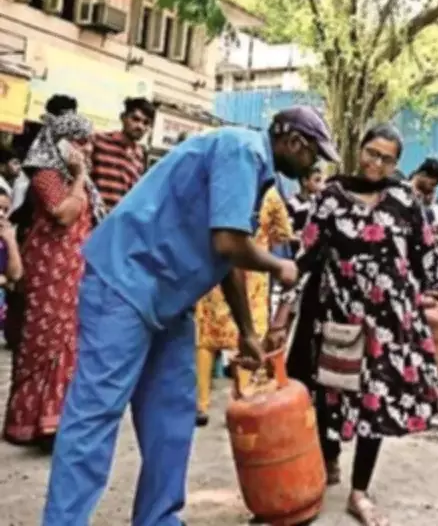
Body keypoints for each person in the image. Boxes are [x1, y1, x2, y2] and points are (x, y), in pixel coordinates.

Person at [41, 106, 338, 526]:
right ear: (294, 143)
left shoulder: (252, 168)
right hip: (126, 283)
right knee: (95, 415)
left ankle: (159, 518)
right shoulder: (242, 151)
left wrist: (248, 332)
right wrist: (278, 265)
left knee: (172, 415)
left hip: (169, 296)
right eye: (314, 155)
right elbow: (228, 244)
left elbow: (228, 255)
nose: (314, 165)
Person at [273, 123, 438, 526]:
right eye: (372, 153)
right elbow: (304, 257)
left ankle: (359, 491)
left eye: (387, 158)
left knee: (375, 403)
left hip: (390, 323)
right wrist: (282, 314)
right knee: (329, 396)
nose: (377, 163)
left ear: (397, 163)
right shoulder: (331, 197)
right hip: (338, 319)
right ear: (359, 150)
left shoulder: (405, 200)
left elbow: (428, 258)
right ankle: (329, 455)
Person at [3, 112, 100, 449]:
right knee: (43, 341)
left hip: (72, 271)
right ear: (59, 141)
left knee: (67, 341)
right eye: (79, 140)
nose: (85, 148)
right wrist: (79, 176)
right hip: (47, 269)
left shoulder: (81, 180)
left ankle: (55, 422)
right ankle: (28, 422)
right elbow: (63, 213)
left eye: (88, 141)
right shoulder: (47, 173)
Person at [194, 186, 293, 426]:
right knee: (250, 338)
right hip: (254, 278)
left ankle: (201, 404)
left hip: (217, 273)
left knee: (207, 338)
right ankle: (245, 401)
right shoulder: (270, 196)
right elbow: (283, 233)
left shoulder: (225, 190)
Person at [90, 97, 155, 211]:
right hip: (94, 220)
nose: (140, 126)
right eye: (135, 119)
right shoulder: (99, 141)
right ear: (123, 117)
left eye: (146, 123)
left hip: (119, 222)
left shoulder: (140, 155)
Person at [286, 164, 325, 255]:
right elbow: (287, 231)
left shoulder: (316, 203)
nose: (320, 184)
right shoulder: (292, 204)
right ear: (305, 181)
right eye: (317, 180)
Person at [0, 188, 22, 346]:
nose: (1, 214)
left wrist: (11, 241)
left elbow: (15, 274)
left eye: (5, 210)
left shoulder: (5, 237)